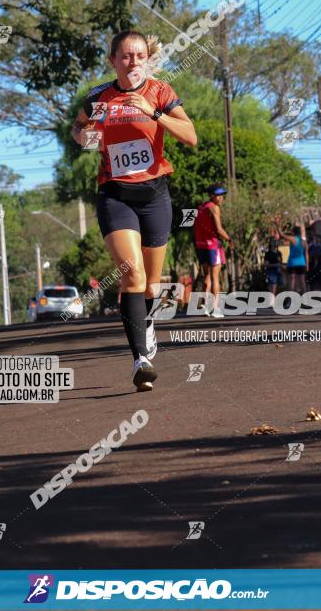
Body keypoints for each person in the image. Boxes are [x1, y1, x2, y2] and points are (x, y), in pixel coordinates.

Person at [70, 30, 197, 391]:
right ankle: (140, 360)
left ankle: (147, 321)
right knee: (133, 276)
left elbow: (190, 136)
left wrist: (154, 114)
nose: (134, 62)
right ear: (113, 60)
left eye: (140, 56)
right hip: (115, 195)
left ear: (148, 59)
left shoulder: (160, 92)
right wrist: (86, 138)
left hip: (154, 194)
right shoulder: (99, 97)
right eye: (126, 56)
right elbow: (80, 130)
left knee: (151, 285)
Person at [193, 184, 231, 318]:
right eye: (217, 195)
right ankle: (215, 308)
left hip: (200, 246)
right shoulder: (214, 208)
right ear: (211, 196)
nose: (220, 198)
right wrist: (230, 239)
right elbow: (219, 229)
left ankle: (205, 307)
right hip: (213, 246)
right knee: (215, 277)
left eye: (221, 195)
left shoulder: (200, 208)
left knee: (207, 276)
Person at [275, 220, 308, 294]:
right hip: (302, 263)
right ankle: (305, 301)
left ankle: (291, 301)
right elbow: (306, 254)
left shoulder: (293, 239)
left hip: (292, 263)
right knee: (302, 282)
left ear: (293, 232)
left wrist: (277, 225)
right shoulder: (304, 242)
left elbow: (282, 235)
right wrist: (307, 265)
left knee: (291, 283)